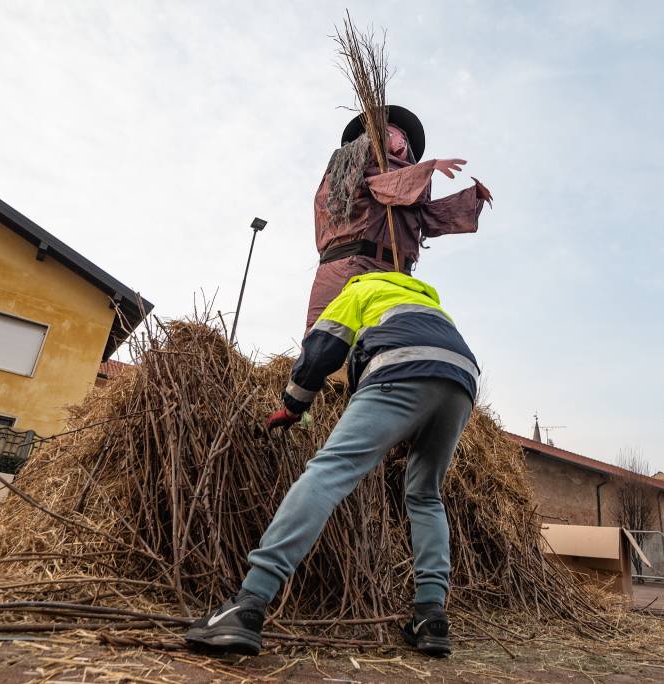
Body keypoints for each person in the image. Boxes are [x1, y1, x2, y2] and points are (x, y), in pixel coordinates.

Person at [186, 271, 478, 657]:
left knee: (328, 473)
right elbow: (431, 357)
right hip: (461, 382)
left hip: (398, 369)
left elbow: (322, 348)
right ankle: (431, 616)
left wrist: (293, 405)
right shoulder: (430, 303)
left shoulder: (359, 289)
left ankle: (249, 602)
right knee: (425, 495)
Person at [305, 104, 492, 331]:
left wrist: (471, 199)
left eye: (402, 137)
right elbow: (383, 187)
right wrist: (426, 168)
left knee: (392, 338)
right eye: (389, 134)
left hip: (397, 273)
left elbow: (428, 216)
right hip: (351, 267)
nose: (400, 141)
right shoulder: (350, 169)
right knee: (333, 336)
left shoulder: (409, 185)